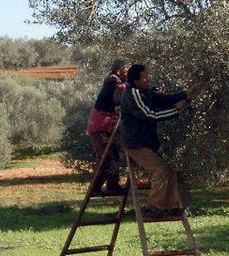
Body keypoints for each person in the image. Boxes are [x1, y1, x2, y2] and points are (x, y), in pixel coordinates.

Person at [120, 63, 201, 219]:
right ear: (135, 81)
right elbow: (151, 115)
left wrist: (185, 94)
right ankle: (152, 208)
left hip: (145, 141)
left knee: (169, 171)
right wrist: (176, 109)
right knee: (161, 170)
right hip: (136, 143)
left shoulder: (145, 91)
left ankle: (169, 207)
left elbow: (163, 99)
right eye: (144, 78)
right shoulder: (133, 94)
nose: (147, 80)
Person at [86, 59, 128, 196]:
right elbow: (118, 100)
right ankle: (95, 189)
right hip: (100, 126)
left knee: (112, 155)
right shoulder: (115, 85)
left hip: (102, 125)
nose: (128, 73)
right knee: (106, 157)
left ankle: (112, 185)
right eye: (126, 70)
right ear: (118, 71)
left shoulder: (113, 83)